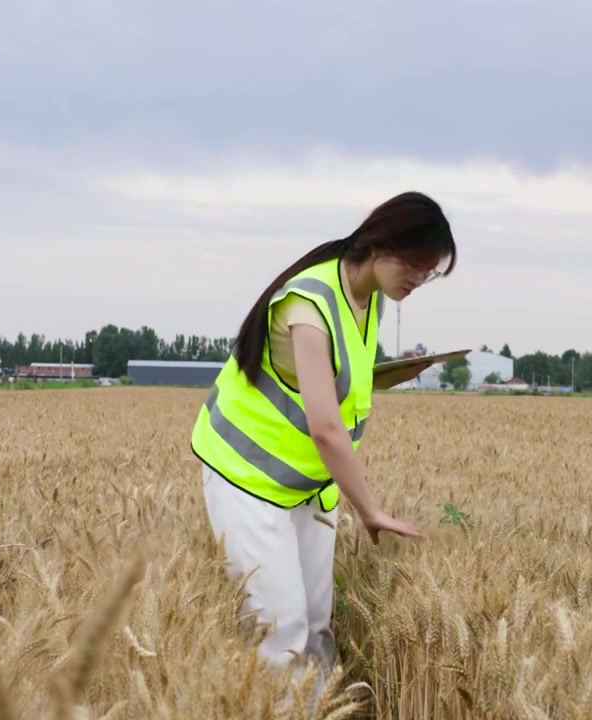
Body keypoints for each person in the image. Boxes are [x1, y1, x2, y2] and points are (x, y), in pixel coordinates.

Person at [189, 190, 458, 703]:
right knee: (281, 632)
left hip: (307, 484)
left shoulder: (369, 297)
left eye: (428, 273)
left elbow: (335, 379)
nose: (418, 280)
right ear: (384, 242)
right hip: (248, 475)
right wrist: (372, 512)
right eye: (417, 265)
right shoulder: (307, 304)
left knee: (315, 626)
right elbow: (326, 429)